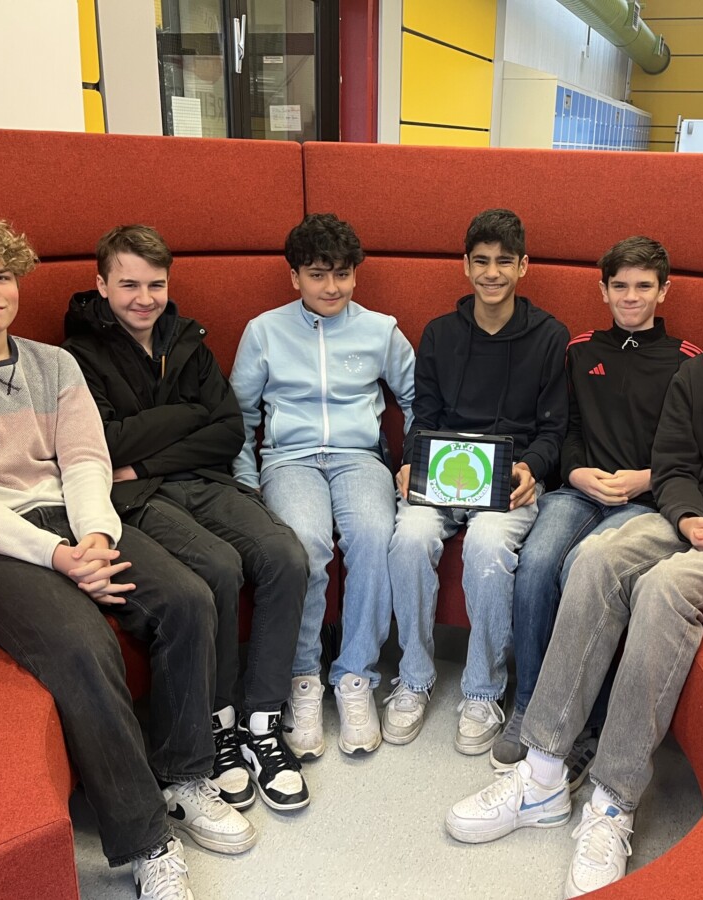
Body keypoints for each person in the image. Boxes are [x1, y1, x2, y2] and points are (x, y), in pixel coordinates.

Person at [445, 241, 703, 897]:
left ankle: (612, 801)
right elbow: (673, 466)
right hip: (696, 518)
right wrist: (688, 516)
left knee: (664, 587)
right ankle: (544, 774)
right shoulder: (701, 377)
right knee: (595, 557)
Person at [0, 209, 254, 900]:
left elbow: (86, 460)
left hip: (74, 522)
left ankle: (185, 775)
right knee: (84, 642)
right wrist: (59, 557)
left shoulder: (54, 364)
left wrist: (95, 538)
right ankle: (147, 841)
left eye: (1, 275)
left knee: (188, 597)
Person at [62, 225, 310, 813]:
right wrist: (186, 415)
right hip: (135, 498)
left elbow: (227, 432)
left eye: (156, 284)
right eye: (129, 285)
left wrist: (150, 452)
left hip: (199, 480)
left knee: (286, 556)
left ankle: (261, 721)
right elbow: (105, 442)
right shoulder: (76, 355)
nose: (144, 298)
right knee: (218, 567)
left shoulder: (188, 339)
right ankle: (218, 726)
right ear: (101, 284)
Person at [492, 236, 701, 780]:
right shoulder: (581, 350)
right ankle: (529, 704)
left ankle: (589, 724)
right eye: (620, 286)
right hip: (580, 490)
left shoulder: (689, 361)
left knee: (586, 570)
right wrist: (577, 471)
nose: (631, 297)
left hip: (646, 501)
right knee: (537, 562)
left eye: (644, 286)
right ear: (603, 290)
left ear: (663, 291)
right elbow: (567, 428)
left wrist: (646, 478)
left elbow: (697, 451)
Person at [229, 213, 415, 757]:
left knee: (375, 537)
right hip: (289, 460)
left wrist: (414, 463)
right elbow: (238, 416)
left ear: (356, 274)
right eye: (317, 275)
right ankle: (304, 678)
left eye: (342, 274)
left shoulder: (381, 329)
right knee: (305, 544)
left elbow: (418, 400)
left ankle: (355, 675)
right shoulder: (264, 331)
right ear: (295, 277)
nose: (331, 287)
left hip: (360, 458)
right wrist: (247, 483)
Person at [387, 208, 568, 752]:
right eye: (482, 261)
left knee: (488, 546)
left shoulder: (550, 336)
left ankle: (484, 690)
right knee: (408, 537)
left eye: (504, 262)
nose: (492, 273)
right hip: (443, 476)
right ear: (465, 266)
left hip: (507, 481)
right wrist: (410, 461)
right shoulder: (440, 334)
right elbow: (424, 415)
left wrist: (532, 468)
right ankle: (413, 678)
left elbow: (554, 429)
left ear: (523, 267)